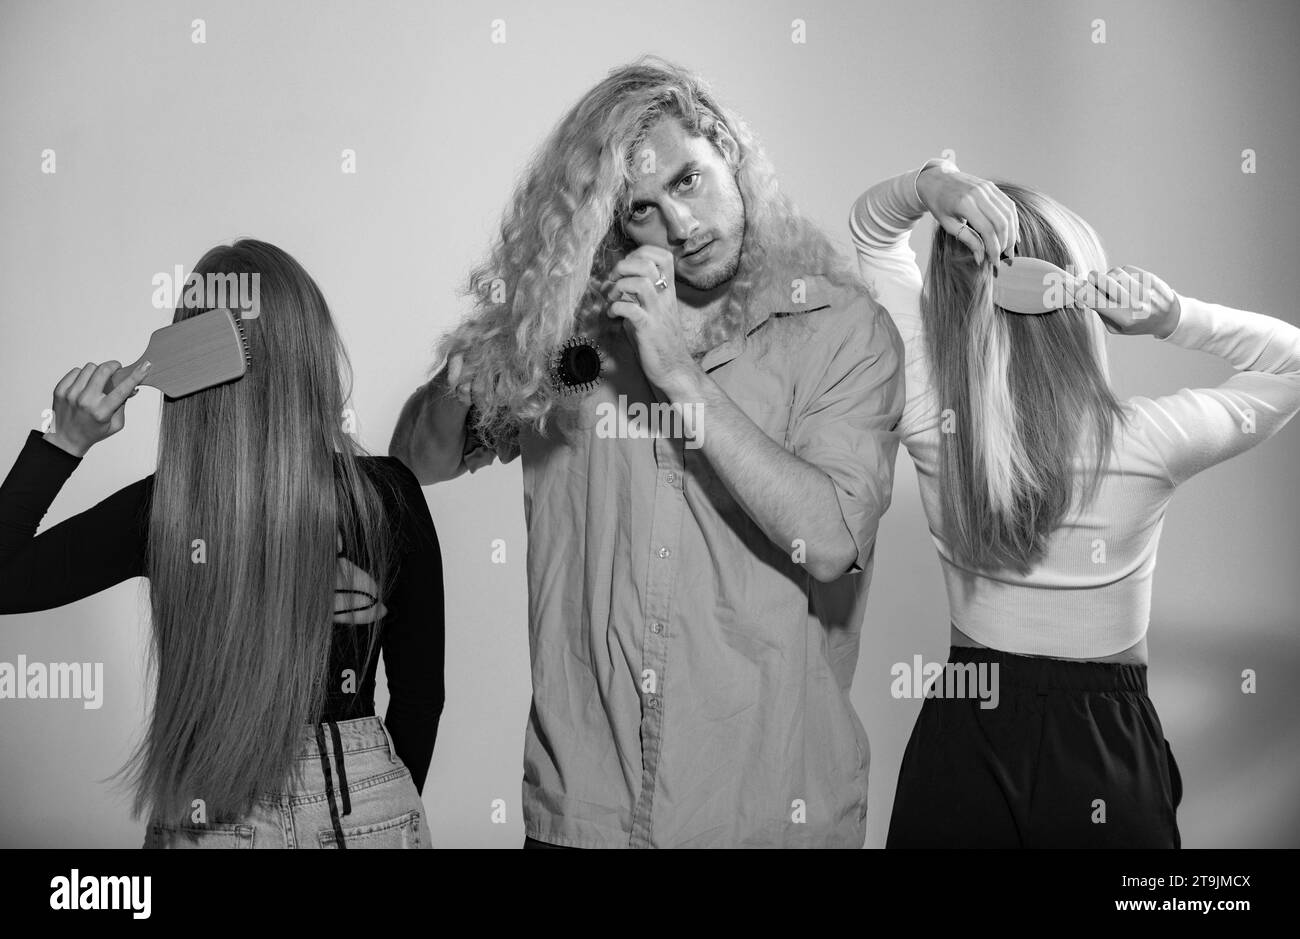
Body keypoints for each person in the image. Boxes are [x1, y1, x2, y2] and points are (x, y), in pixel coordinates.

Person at [391, 57, 904, 848]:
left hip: (770, 817)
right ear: (611, 227)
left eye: (689, 180)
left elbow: (832, 540)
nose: (681, 223)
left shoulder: (843, 331)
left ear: (726, 150)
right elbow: (416, 461)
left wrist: (676, 371)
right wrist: (492, 343)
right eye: (642, 208)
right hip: (587, 815)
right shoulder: (573, 351)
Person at [848, 158, 1300, 847]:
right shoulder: (1147, 442)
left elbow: (872, 231)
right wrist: (1173, 318)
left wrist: (930, 186)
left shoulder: (927, 408)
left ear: (948, 302)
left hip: (966, 732)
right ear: (1083, 303)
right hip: (1104, 748)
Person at [0, 239, 444, 849]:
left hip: (212, 801)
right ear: (309, 351)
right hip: (365, 801)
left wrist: (63, 440)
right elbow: (421, 697)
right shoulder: (386, 494)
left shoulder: (165, 508)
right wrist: (372, 807)